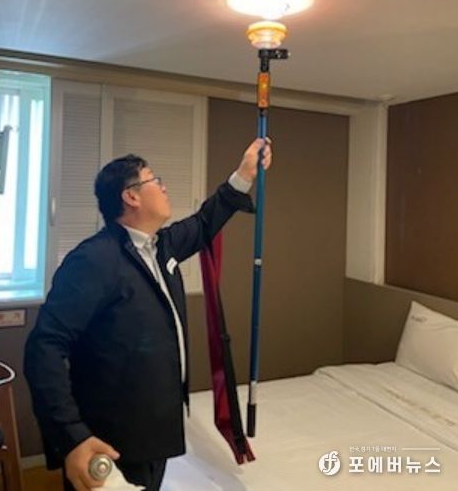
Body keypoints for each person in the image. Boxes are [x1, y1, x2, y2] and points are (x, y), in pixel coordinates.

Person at [24, 138, 272, 490]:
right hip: (113, 439)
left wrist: (245, 173)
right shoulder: (94, 260)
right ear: (131, 196)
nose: (164, 187)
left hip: (154, 433)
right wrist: (72, 436)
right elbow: (44, 347)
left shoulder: (161, 247)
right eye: (155, 180)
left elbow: (205, 221)